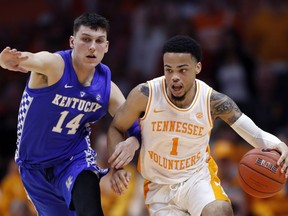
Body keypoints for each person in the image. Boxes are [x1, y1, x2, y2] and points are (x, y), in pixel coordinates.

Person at [107, 35, 288, 216]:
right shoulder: (144, 94)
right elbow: (117, 127)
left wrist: (279, 145)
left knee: (219, 210)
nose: (174, 77)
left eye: (182, 70)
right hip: (159, 187)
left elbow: (255, 134)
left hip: (197, 179)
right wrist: (116, 167)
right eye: (168, 70)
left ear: (198, 68)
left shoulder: (213, 101)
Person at [0, 12, 139, 216]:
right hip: (33, 167)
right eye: (86, 39)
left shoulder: (107, 89)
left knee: (90, 206)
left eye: (99, 41)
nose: (92, 47)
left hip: (74, 159)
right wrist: (7, 61)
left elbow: (136, 125)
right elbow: (30, 59)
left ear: (106, 47)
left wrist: (133, 141)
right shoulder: (54, 65)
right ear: (72, 41)